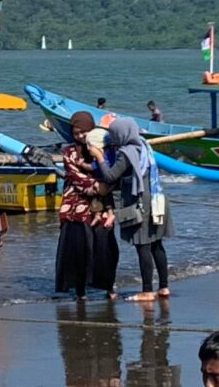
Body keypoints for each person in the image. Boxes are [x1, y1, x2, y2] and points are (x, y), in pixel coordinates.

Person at [101, 116, 171, 302]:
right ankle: (163, 287)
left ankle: (147, 291)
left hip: (141, 202)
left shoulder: (126, 153)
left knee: (143, 246)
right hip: (157, 197)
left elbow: (110, 176)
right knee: (157, 243)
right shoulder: (144, 146)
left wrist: (99, 157)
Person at [54, 112, 118, 299]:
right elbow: (75, 177)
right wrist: (99, 187)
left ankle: (108, 286)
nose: (81, 136)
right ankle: (80, 290)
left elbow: (112, 173)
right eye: (76, 132)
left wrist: (106, 186)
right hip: (76, 204)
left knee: (106, 247)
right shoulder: (69, 152)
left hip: (103, 204)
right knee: (78, 250)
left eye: (84, 132)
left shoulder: (102, 148)